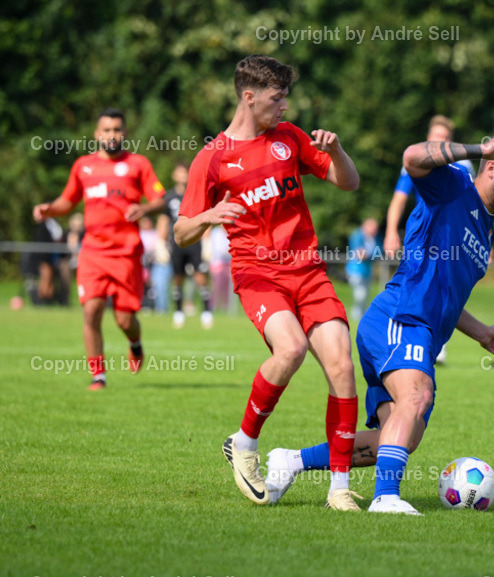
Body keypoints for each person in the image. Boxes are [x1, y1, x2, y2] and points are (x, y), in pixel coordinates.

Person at [263, 132, 494, 515]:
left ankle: (291, 461)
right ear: (492, 167)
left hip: (419, 333)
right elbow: (412, 157)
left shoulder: (486, 227)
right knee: (416, 397)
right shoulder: (454, 186)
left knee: (399, 437)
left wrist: (480, 331)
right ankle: (386, 498)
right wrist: (477, 148)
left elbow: (448, 295)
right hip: (399, 318)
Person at [173, 54, 363, 510]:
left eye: (286, 98)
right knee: (292, 349)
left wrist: (336, 150)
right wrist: (207, 216)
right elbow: (181, 233)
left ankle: (339, 490)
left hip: (308, 271)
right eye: (277, 99)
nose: (284, 107)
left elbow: (349, 183)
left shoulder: (290, 138)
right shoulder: (212, 159)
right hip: (258, 275)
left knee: (341, 366)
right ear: (249, 96)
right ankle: (244, 443)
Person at [33, 108, 167, 390]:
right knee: (91, 310)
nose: (112, 135)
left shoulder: (138, 164)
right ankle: (98, 375)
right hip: (93, 252)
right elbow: (67, 201)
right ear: (97, 134)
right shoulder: (83, 166)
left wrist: (144, 207)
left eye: (117, 129)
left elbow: (160, 199)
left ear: (125, 133)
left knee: (124, 318)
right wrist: (49, 209)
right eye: (106, 130)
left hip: (127, 253)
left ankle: (136, 342)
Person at [383, 115, 475, 364]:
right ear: (427, 138)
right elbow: (400, 198)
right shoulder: (414, 161)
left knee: (447, 288)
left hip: (453, 234)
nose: (439, 141)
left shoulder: (464, 163)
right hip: (422, 234)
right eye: (436, 137)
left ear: (451, 141)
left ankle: (437, 343)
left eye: (444, 138)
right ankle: (404, 338)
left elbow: (474, 204)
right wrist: (391, 230)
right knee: (415, 283)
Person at [165, 163, 214, 329]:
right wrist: (161, 243)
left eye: (185, 172)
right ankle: (178, 313)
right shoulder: (169, 197)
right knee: (177, 279)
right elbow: (164, 221)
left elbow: (205, 217)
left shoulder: (196, 193)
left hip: (195, 242)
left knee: (200, 277)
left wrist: (207, 242)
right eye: (179, 172)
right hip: (177, 243)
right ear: (174, 175)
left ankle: (207, 312)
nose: (182, 175)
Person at [346, 217, 380, 322]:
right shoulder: (357, 235)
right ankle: (356, 316)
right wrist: (367, 255)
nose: (375, 231)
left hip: (367, 270)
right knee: (360, 295)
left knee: (365, 295)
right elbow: (359, 253)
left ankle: (362, 316)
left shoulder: (374, 238)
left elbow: (378, 252)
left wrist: (368, 255)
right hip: (356, 269)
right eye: (373, 228)